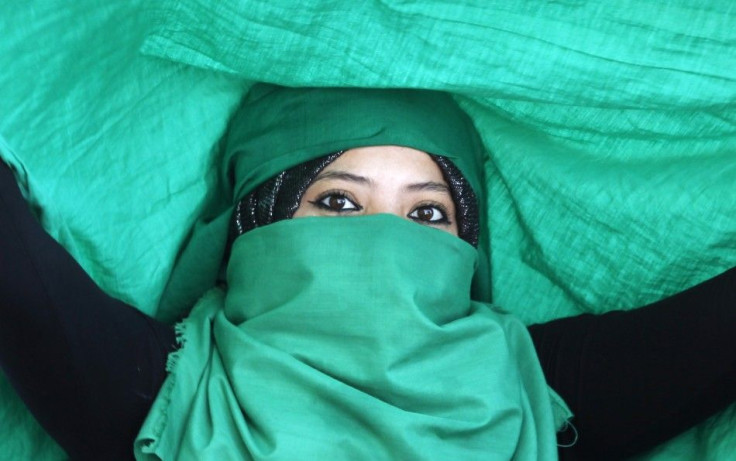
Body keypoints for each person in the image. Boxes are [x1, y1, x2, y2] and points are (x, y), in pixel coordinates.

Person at [1, 84, 735, 460]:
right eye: (339, 200)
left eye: (427, 217)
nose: (386, 245)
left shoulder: (531, 392)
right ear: (254, 222)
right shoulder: (159, 398)